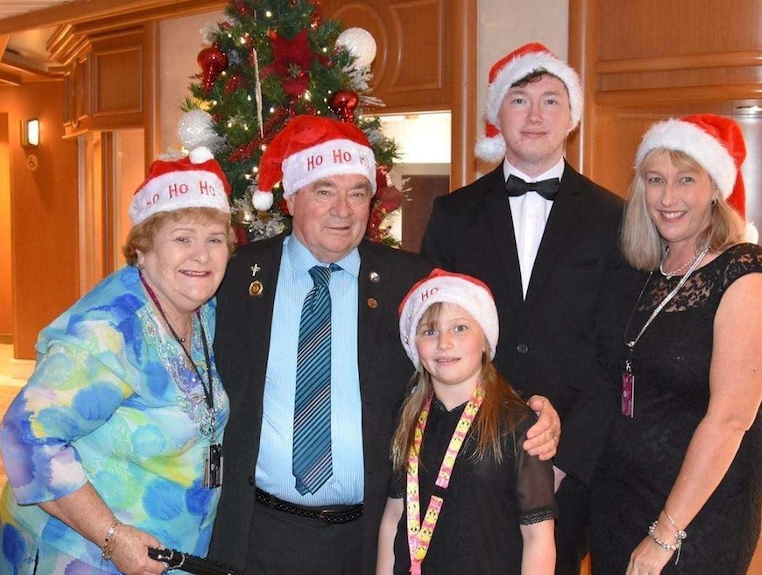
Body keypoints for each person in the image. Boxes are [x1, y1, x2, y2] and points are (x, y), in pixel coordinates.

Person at [207, 115, 559, 575]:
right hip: (259, 533)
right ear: (291, 198)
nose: (344, 209)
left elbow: (467, 350)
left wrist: (534, 407)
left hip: (370, 536)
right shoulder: (235, 277)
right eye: (325, 191)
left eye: (357, 192)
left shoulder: (406, 280)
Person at [420, 42, 624, 575]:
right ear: (497, 113)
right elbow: (431, 338)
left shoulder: (615, 218)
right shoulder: (452, 213)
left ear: (572, 116)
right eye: (520, 99)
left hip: (568, 474)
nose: (535, 115)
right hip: (465, 462)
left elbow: (615, 353)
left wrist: (563, 460)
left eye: (551, 100)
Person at [0, 145, 236, 575]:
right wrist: (112, 536)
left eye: (214, 239)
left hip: (166, 553)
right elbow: (24, 436)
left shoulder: (204, 312)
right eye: (182, 238)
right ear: (143, 248)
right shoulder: (111, 327)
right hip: (84, 555)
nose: (202, 254)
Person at [588, 114, 762, 575]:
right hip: (619, 500)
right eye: (655, 180)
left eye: (686, 180)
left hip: (697, 516)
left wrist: (664, 535)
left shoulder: (745, 272)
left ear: (716, 187)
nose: (668, 197)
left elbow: (731, 419)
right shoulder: (645, 269)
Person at [376, 269, 556, 575]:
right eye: (430, 331)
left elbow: (538, 536)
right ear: (414, 347)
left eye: (460, 328)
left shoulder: (518, 424)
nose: (445, 343)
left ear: (485, 341)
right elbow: (394, 516)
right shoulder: (409, 419)